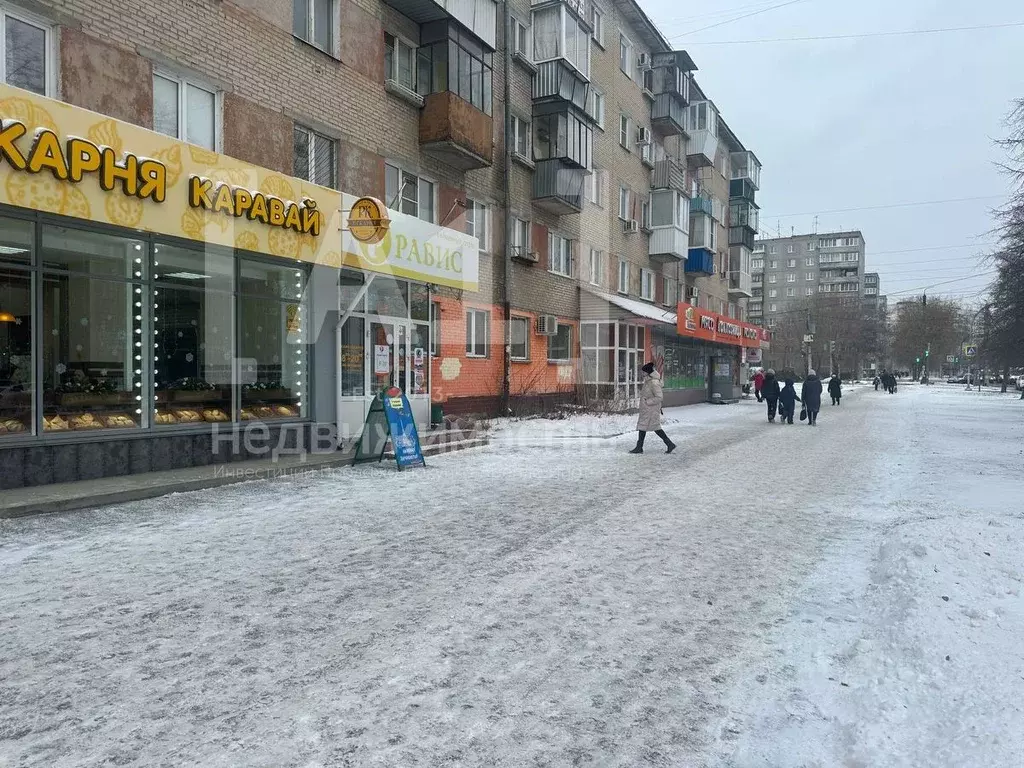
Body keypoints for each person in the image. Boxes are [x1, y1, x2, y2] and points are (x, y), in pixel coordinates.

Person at [630, 362, 676, 454]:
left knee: (654, 427)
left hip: (651, 409)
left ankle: (669, 444)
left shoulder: (654, 383)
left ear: (648, 372)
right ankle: (640, 447)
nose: (642, 373)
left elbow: (659, 397)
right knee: (645, 427)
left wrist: (648, 402)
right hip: (647, 410)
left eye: (643, 372)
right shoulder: (648, 381)